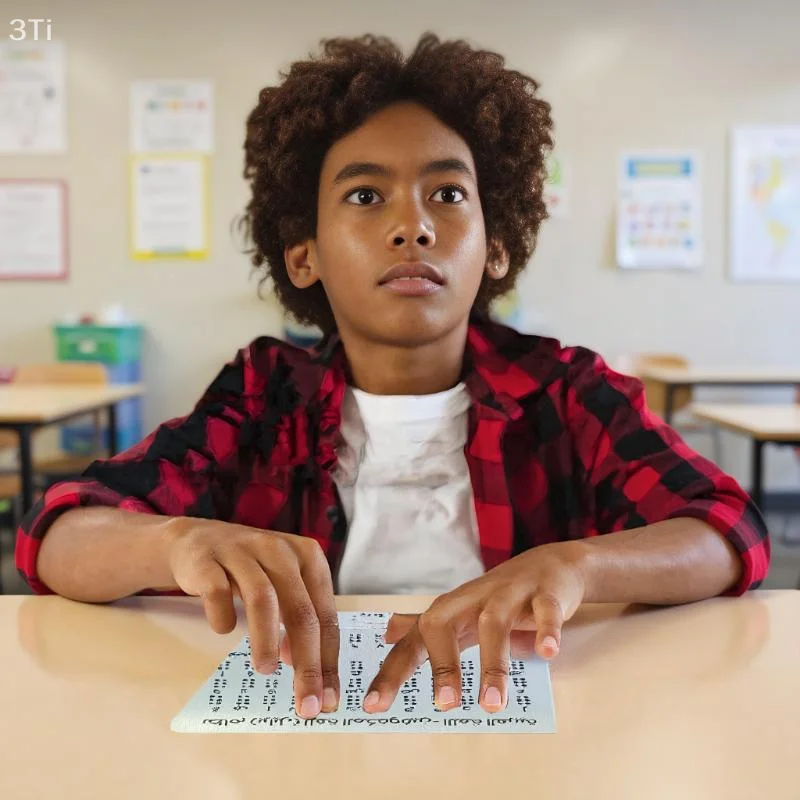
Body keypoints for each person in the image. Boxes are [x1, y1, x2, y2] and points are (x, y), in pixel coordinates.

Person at [15, 32, 769, 720]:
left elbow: (727, 530)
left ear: (495, 246)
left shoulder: (565, 392)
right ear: (304, 254)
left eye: (449, 194)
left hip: (525, 738)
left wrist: (578, 566)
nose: (414, 226)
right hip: (307, 735)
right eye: (365, 196)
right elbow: (58, 535)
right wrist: (176, 543)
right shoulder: (262, 395)